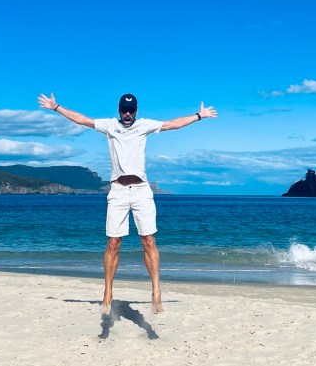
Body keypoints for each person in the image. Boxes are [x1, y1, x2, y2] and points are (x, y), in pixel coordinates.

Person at [37, 91, 217, 314]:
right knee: (113, 242)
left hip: (141, 190)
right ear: (119, 110)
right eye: (124, 110)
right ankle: (108, 292)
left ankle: (156, 291)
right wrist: (56, 108)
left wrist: (199, 115)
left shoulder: (144, 125)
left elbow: (173, 124)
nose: (128, 114)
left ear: (136, 111)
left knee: (148, 240)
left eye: (131, 110)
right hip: (118, 191)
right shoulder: (110, 126)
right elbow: (82, 120)